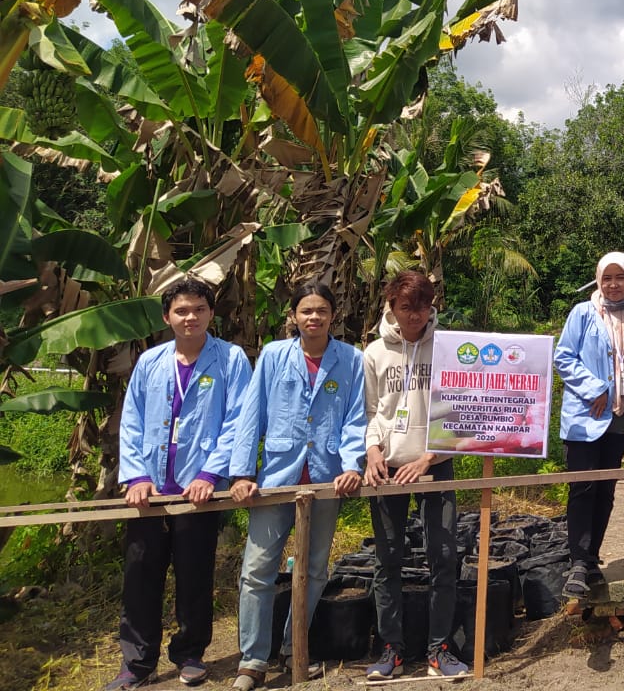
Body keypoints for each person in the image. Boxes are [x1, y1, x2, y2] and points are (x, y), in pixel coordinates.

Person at [106, 278, 251, 691]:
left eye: (199, 309)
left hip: (198, 489)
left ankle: (190, 654)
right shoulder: (150, 361)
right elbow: (131, 421)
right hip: (150, 490)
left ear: (211, 313)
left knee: (194, 573)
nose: (191, 318)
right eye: (182, 311)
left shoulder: (231, 359)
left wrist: (210, 474)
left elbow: (237, 421)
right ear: (167, 316)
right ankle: (138, 663)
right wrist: (136, 476)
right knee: (140, 573)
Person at [228, 282, 366, 691]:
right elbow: (252, 414)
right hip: (276, 478)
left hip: (326, 479)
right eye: (306, 310)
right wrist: (242, 472)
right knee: (257, 570)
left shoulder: (351, 359)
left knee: (315, 569)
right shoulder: (274, 355)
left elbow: (355, 418)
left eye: (322, 310)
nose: (314, 317)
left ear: (333, 315)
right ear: (294, 316)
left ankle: (295, 647)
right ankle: (253, 660)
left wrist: (351, 465)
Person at [362, 270, 468, 681]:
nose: (414, 315)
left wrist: (428, 458)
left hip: (435, 467)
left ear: (431, 307)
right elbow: (371, 411)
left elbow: (458, 410)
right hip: (387, 470)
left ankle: (439, 649)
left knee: (443, 556)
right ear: (391, 306)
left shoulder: (447, 349)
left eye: (422, 306)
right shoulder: (374, 353)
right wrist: (373, 451)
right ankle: (391, 649)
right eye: (406, 306)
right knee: (387, 559)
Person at [553, 251, 624, 599]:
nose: (614, 285)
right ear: (598, 279)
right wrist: (596, 389)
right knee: (583, 486)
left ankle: (591, 558)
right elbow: (564, 356)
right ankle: (577, 560)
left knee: (606, 488)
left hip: (621, 414)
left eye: (620, 278)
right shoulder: (584, 312)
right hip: (587, 413)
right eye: (607, 278)